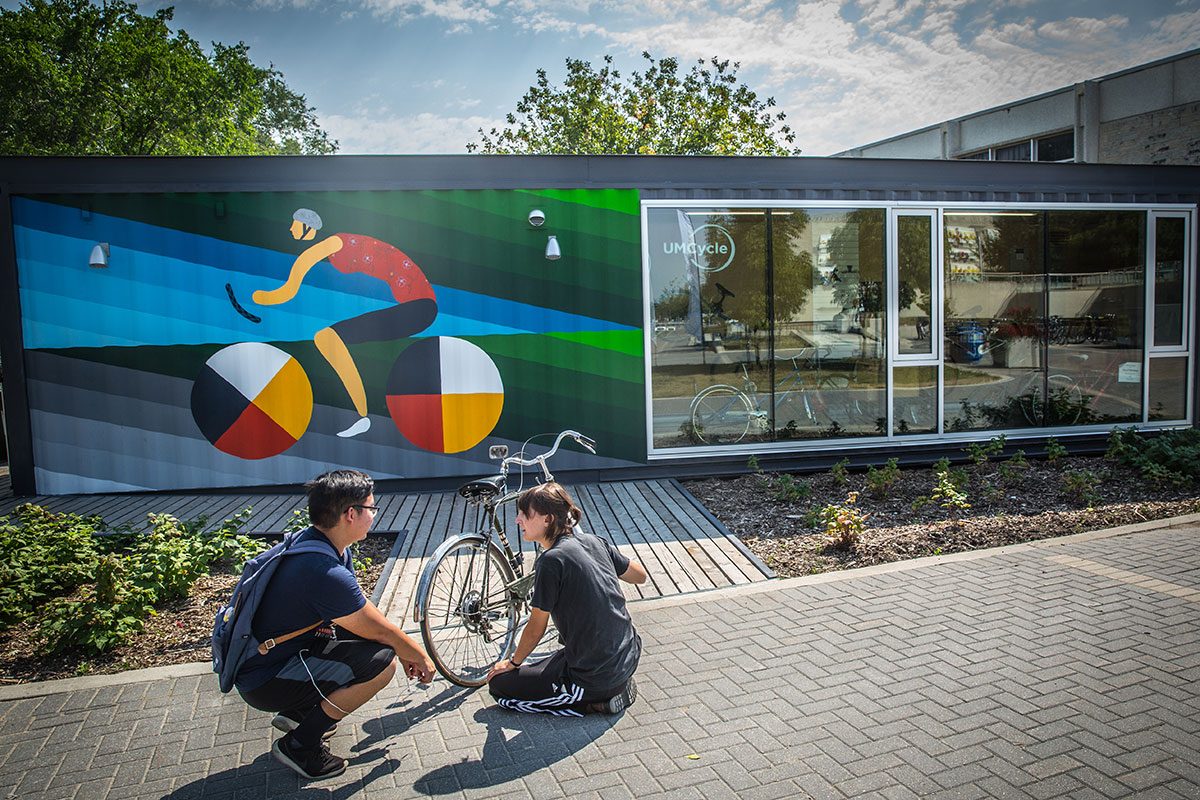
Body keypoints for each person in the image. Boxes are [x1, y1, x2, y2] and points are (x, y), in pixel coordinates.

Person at [235, 469, 435, 781]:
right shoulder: (323, 569)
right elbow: (381, 630)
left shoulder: (315, 543)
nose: (375, 515)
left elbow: (364, 622)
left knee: (376, 648)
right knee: (383, 665)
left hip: (270, 660)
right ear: (350, 514)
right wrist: (420, 656)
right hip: (266, 680)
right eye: (372, 508)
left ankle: (299, 714)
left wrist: (399, 645)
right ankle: (300, 745)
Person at [253, 208, 438, 439]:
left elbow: (290, 287)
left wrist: (256, 297)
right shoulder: (339, 242)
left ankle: (362, 416)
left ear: (309, 228)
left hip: (419, 307)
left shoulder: (331, 243)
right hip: (420, 307)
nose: (291, 229)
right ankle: (362, 415)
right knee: (328, 337)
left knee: (327, 338)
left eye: (295, 224)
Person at [485, 482, 648, 716]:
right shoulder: (594, 541)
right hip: (628, 654)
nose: (517, 520)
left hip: (592, 677)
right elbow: (640, 576)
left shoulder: (551, 561)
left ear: (548, 519)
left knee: (500, 687)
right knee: (543, 666)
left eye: (524, 514)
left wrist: (512, 664)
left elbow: (536, 628)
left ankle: (594, 703)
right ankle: (613, 687)